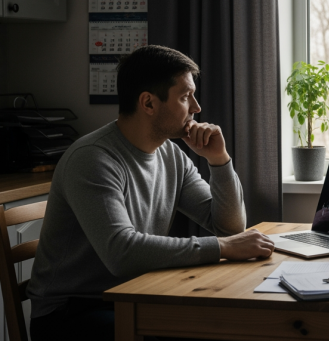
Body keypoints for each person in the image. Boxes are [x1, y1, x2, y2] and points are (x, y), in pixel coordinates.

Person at [27, 45, 274, 341]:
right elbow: (121, 252)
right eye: (184, 97)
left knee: (225, 324)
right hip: (72, 313)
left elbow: (229, 226)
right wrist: (223, 247)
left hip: (133, 294)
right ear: (148, 103)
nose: (196, 108)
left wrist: (219, 161)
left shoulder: (170, 155)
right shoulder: (93, 159)